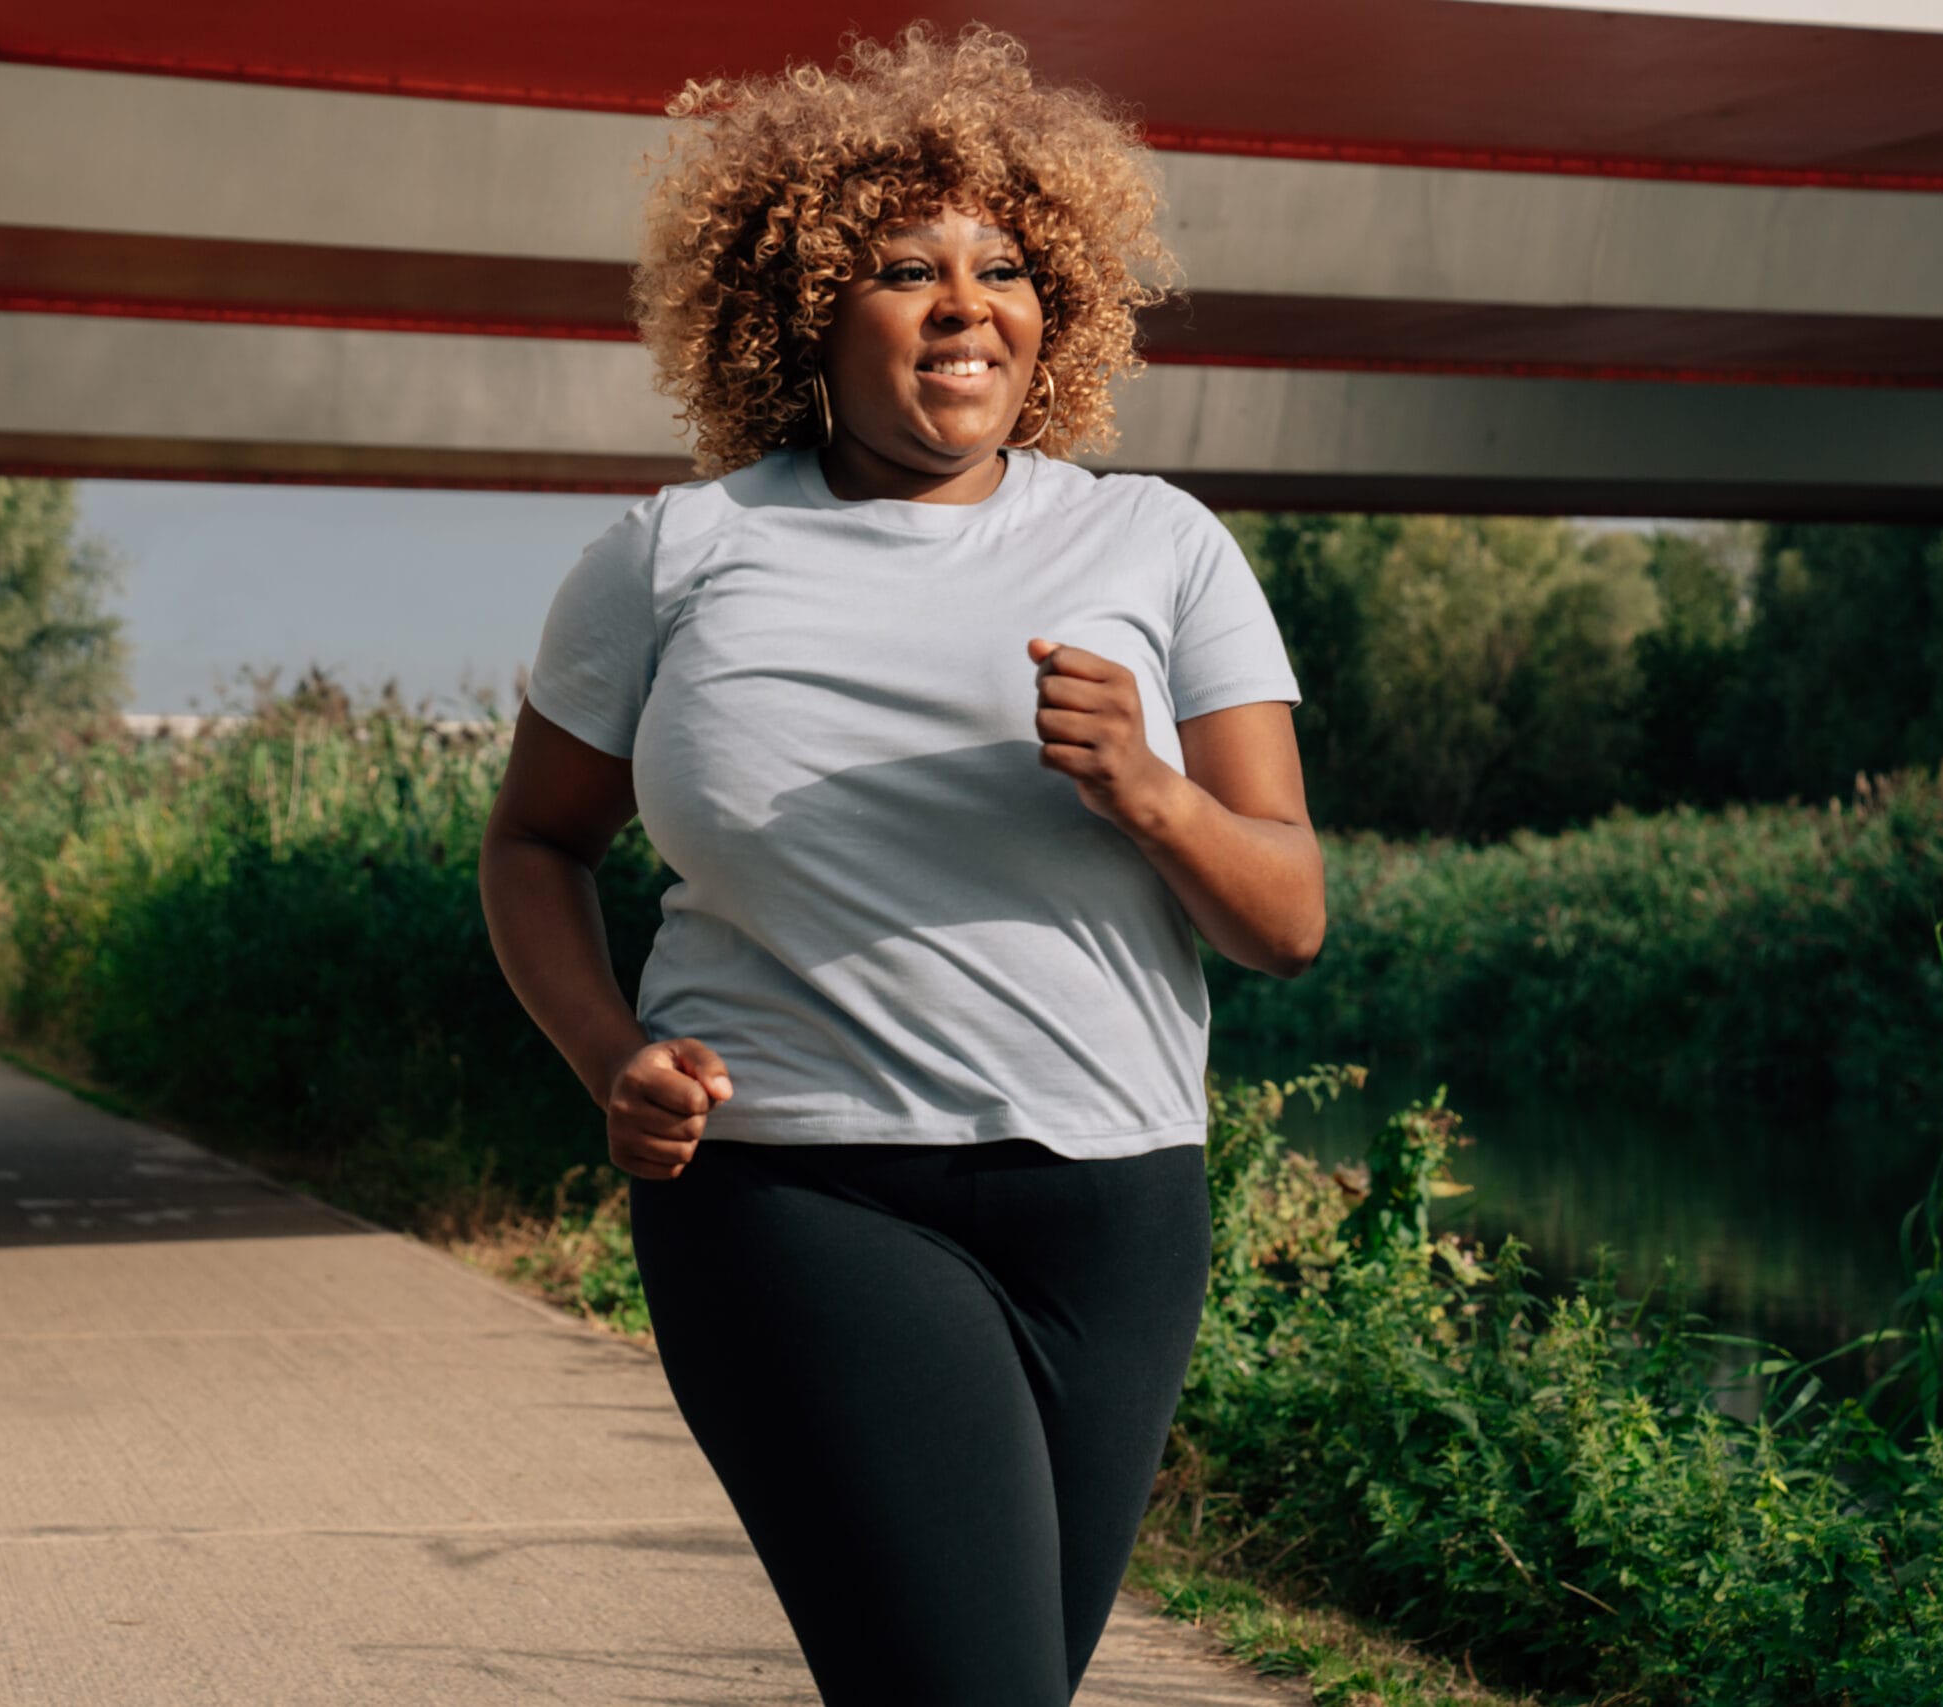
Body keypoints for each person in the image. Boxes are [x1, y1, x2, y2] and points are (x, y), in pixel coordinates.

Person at [477, 22, 1323, 1705]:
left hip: (1119, 1205)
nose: (966, 303)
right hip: (801, 1190)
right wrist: (608, 1053)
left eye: (1003, 265)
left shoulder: (1156, 542)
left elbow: (1286, 917)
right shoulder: (678, 556)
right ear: (802, 311)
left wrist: (1152, 794)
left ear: (1056, 302)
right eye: (903, 267)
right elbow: (535, 842)